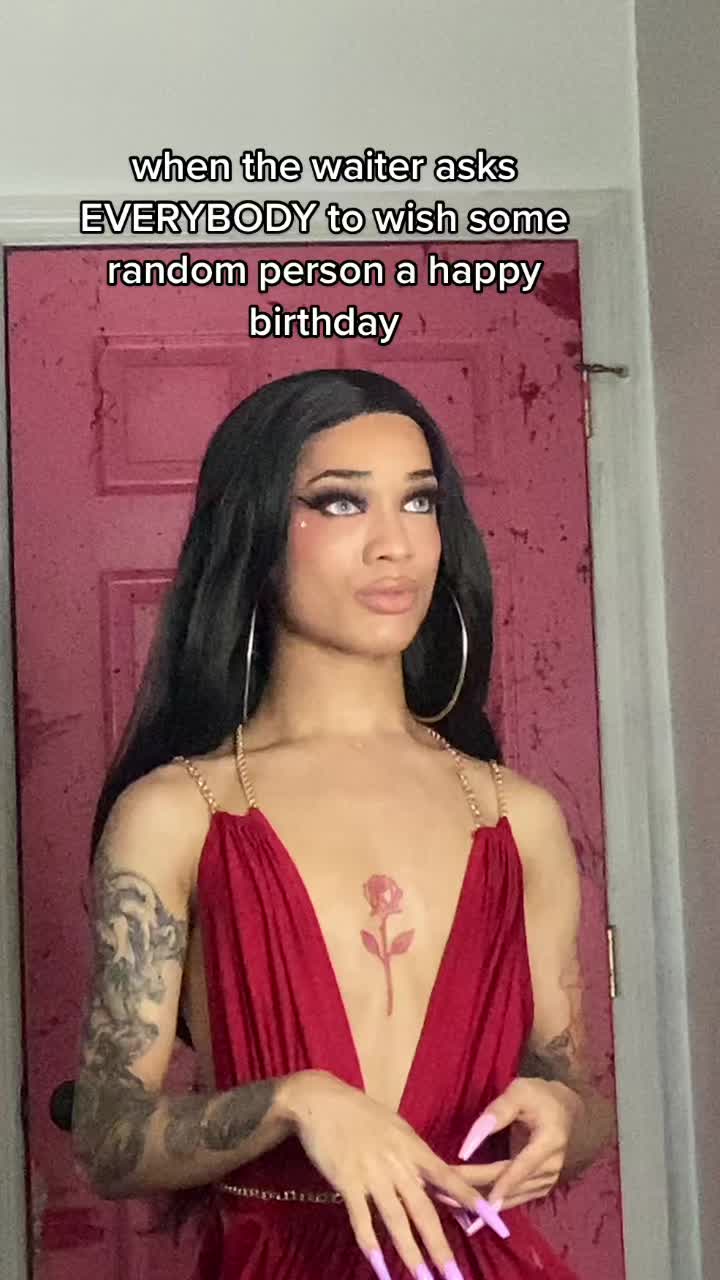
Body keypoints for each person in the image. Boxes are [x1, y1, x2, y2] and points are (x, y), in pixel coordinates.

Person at [71, 369, 615, 1280]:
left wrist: (565, 1120)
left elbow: (581, 1095)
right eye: (340, 502)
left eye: (420, 501)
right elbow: (107, 1136)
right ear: (254, 534)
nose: (394, 544)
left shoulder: (515, 816)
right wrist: (295, 1101)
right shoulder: (179, 813)